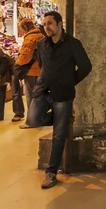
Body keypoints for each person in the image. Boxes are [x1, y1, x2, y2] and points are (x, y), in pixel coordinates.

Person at [27, 11, 92, 189]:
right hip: (43, 91)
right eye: (44, 24)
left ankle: (51, 171)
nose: (46, 27)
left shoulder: (73, 44)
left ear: (60, 24)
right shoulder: (41, 44)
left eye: (50, 23)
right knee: (32, 120)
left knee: (58, 135)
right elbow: (42, 65)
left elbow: (86, 66)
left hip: (63, 93)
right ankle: (62, 119)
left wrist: (70, 81)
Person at [14, 19, 45, 128]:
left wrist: (17, 63)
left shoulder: (30, 38)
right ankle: (39, 118)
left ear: (25, 28)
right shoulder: (41, 35)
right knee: (39, 96)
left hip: (31, 71)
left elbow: (25, 57)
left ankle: (31, 121)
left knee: (30, 96)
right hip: (41, 70)